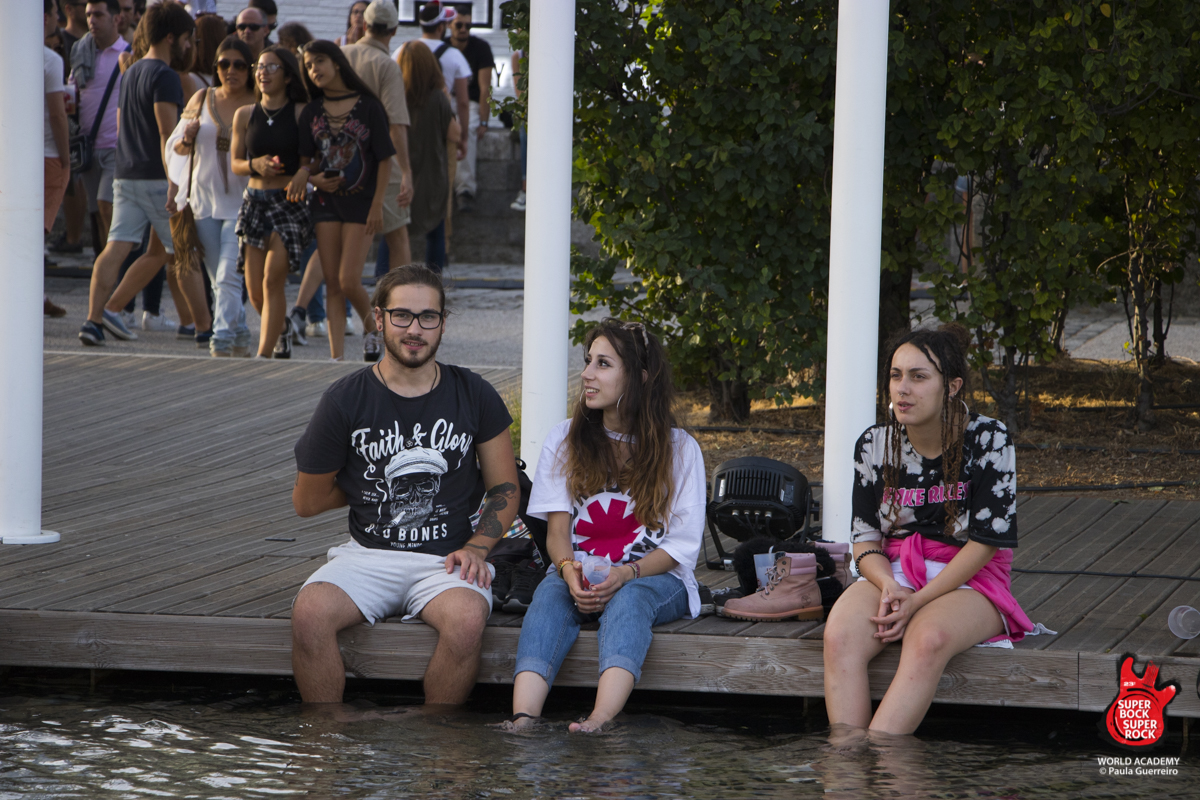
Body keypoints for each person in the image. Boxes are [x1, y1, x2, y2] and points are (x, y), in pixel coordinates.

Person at [290, 264, 519, 706]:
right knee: (310, 613)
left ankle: (437, 746)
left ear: (443, 323)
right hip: (367, 556)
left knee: (468, 619)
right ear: (379, 319)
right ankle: (325, 744)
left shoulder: (475, 393)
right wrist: (364, 488)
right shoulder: (344, 400)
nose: (415, 329)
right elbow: (306, 501)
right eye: (402, 315)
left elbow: (505, 488)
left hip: (447, 561)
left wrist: (477, 548)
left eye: (427, 317)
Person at [822, 324, 1037, 737]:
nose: (903, 389)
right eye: (896, 375)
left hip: (970, 577)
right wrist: (889, 586)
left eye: (919, 377)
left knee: (928, 637)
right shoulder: (874, 444)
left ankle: (881, 765)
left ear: (951, 386)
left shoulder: (989, 439)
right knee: (839, 634)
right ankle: (848, 770)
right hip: (896, 570)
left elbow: (986, 543)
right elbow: (865, 539)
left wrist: (917, 600)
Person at [502, 319, 705, 733]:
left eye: (603, 364)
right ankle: (523, 720)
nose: (587, 373)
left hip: (656, 577)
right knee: (550, 593)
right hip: (581, 571)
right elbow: (557, 534)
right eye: (587, 361)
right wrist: (566, 570)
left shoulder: (681, 449)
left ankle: (598, 721)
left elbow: (681, 548)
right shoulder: (565, 438)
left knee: (631, 601)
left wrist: (625, 573)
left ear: (640, 378)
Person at [78, 0, 196, 347]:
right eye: (188, 38)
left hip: (125, 172)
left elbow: (118, 125)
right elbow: (166, 132)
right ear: (172, 37)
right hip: (157, 177)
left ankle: (94, 319)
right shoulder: (165, 76)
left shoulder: (129, 73)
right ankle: (204, 327)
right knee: (185, 252)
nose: (190, 46)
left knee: (118, 247)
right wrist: (175, 183)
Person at [298, 40, 394, 362]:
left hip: (361, 203)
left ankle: (373, 332)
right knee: (332, 284)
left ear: (337, 62)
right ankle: (335, 358)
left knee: (349, 279)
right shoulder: (311, 111)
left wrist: (378, 203)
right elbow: (306, 163)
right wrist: (311, 178)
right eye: (309, 66)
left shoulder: (368, 106)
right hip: (325, 204)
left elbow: (384, 158)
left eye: (320, 62)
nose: (314, 70)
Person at [167, 36, 255, 357]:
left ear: (250, 69)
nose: (230, 70)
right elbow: (175, 147)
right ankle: (241, 331)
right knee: (219, 281)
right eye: (223, 64)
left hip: (243, 204)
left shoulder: (258, 101)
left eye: (239, 65)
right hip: (203, 201)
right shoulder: (202, 98)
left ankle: (221, 339)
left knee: (228, 276)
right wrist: (186, 140)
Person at [231, 45, 311, 359]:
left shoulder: (301, 112)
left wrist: (303, 171)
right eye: (260, 66)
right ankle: (281, 330)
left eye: (272, 67)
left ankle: (263, 357)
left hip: (288, 201)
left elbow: (310, 160)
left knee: (271, 278)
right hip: (254, 200)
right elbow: (236, 162)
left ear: (289, 75)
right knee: (253, 289)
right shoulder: (245, 114)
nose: (263, 73)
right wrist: (255, 165)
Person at [341, 0, 414, 276]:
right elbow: (396, 124)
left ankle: (313, 309)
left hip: (340, 157)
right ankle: (402, 304)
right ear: (393, 31)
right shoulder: (387, 65)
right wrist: (406, 171)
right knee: (396, 235)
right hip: (380, 160)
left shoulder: (340, 55)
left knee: (339, 241)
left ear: (364, 24)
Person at [396, 40, 457, 272]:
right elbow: (454, 133)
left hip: (403, 172)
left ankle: (386, 281)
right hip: (433, 174)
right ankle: (434, 282)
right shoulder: (437, 98)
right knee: (435, 233)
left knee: (396, 232)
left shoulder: (396, 96)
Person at [448, 5, 492, 212]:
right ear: (449, 25)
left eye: (467, 25)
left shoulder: (481, 48)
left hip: (472, 104)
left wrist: (484, 120)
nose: (463, 29)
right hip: (446, 102)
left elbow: (485, 89)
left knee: (469, 129)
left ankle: (465, 190)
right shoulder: (442, 47)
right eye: (459, 24)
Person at [44, 0, 73, 318]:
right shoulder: (50, 60)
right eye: (54, 14)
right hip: (48, 153)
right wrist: (66, 159)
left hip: (12, 154)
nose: (58, 19)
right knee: (38, 229)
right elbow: (56, 112)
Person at [414, 1, 468, 162]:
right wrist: (463, 138)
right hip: (442, 126)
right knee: (442, 181)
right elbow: (463, 102)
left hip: (411, 124)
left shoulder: (403, 51)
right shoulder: (455, 55)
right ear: (440, 27)